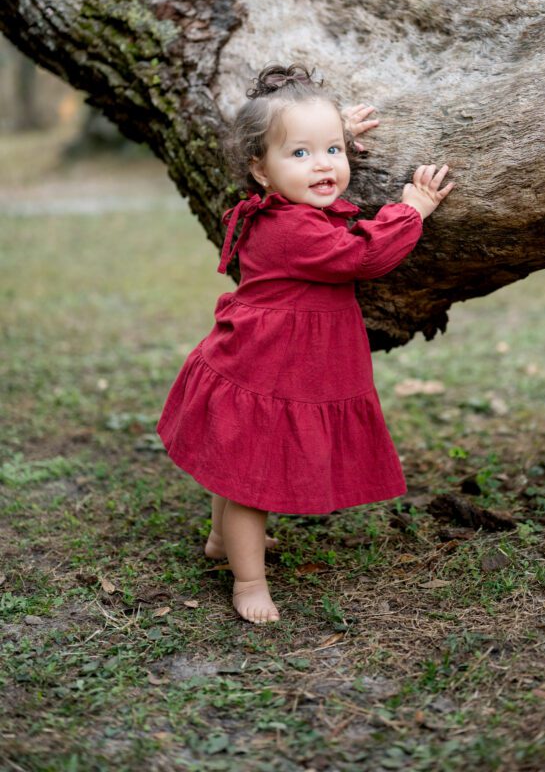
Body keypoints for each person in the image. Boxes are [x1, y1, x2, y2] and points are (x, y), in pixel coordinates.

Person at [156, 63, 453, 625]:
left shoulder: (283, 207)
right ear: (259, 170)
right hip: (269, 371)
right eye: (300, 154)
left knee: (236, 465)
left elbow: (308, 161)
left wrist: (322, 136)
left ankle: (222, 539)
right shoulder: (295, 229)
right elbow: (364, 255)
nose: (324, 165)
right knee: (250, 480)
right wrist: (412, 208)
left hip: (263, 359)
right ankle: (247, 581)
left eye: (334, 151)